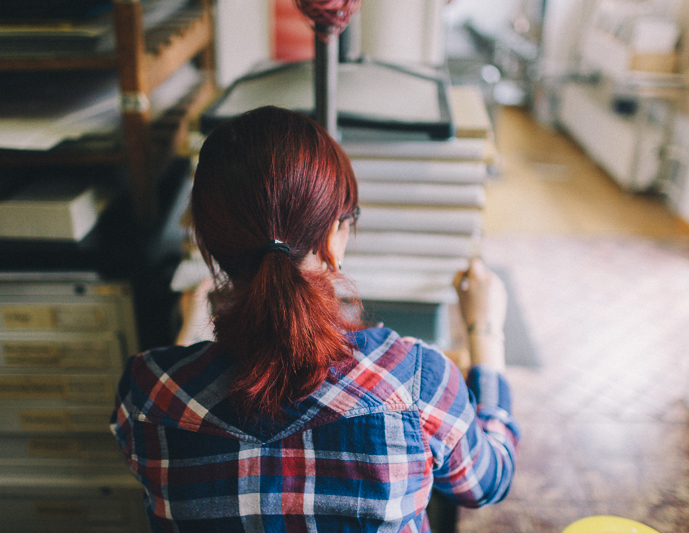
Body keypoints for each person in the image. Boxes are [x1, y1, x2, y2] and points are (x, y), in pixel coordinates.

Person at [111, 106, 520, 533]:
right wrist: (485, 330)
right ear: (331, 238)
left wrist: (186, 337)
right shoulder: (418, 385)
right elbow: (489, 481)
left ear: (209, 245)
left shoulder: (144, 396)